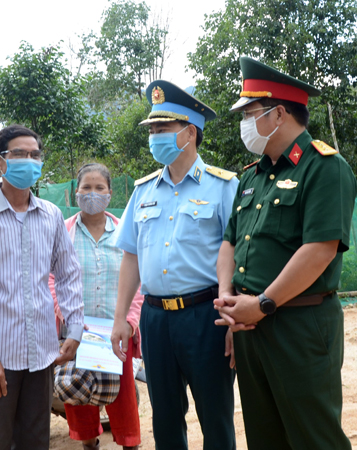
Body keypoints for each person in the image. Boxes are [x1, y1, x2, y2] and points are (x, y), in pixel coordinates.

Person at [214, 57, 355, 450]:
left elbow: (319, 250)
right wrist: (228, 300)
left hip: (300, 326)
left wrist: (261, 304)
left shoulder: (325, 168)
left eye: (250, 113)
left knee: (313, 436)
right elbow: (229, 242)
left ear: (279, 113)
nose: (245, 123)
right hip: (248, 328)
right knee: (264, 435)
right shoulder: (250, 176)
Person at [110, 81, 239, 450]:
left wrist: (233, 320)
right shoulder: (143, 190)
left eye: (162, 129)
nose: (154, 137)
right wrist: (122, 317)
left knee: (215, 416)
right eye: (151, 130)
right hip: (155, 320)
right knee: (165, 418)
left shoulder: (223, 187)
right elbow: (131, 256)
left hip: (206, 316)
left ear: (190, 132)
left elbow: (240, 256)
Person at [0, 124, 84, 450]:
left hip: (42, 353)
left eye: (35, 155)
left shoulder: (51, 215)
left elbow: (68, 273)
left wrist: (74, 328)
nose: (30, 161)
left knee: (35, 440)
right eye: (21, 155)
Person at [49, 163, 143, 450]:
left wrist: (129, 321)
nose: (92, 193)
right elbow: (51, 278)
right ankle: (89, 444)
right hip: (77, 333)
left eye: (99, 188)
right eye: (86, 188)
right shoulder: (62, 232)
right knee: (79, 400)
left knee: (124, 400)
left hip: (116, 334)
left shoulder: (125, 232)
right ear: (74, 194)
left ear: (110, 193)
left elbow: (138, 279)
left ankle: (130, 444)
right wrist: (62, 312)